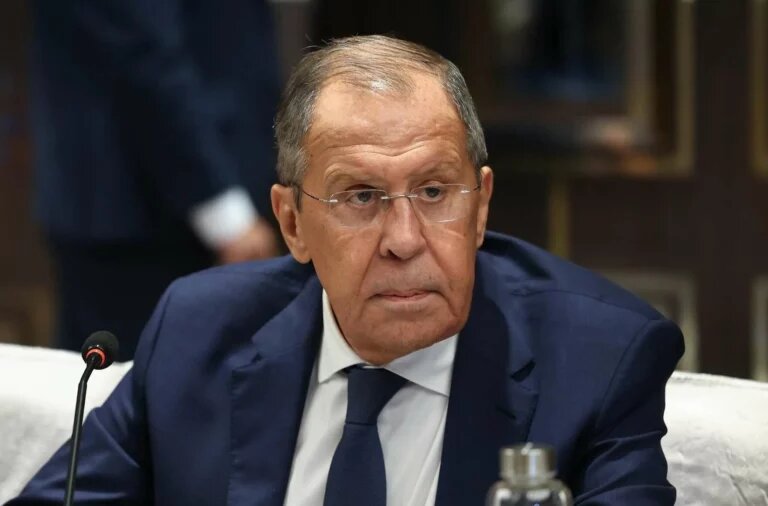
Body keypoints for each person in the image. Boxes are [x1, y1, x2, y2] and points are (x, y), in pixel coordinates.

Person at [10, 35, 684, 505]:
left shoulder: (597, 362)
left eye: (434, 192)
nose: (404, 240)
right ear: (293, 223)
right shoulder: (198, 331)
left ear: (480, 207)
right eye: (360, 197)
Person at [29, 0, 281, 360]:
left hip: (204, 191)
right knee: (124, 387)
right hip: (141, 214)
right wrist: (224, 213)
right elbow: (141, 51)